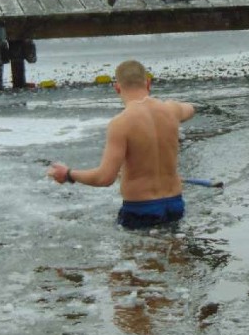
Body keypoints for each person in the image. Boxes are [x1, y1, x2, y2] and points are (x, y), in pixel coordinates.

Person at [47, 60, 195, 229]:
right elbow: (190, 109)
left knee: (138, 255)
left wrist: (68, 174)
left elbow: (104, 178)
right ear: (148, 83)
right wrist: (169, 110)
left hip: (140, 210)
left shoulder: (121, 123)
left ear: (117, 88)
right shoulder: (171, 110)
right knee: (175, 252)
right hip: (175, 205)